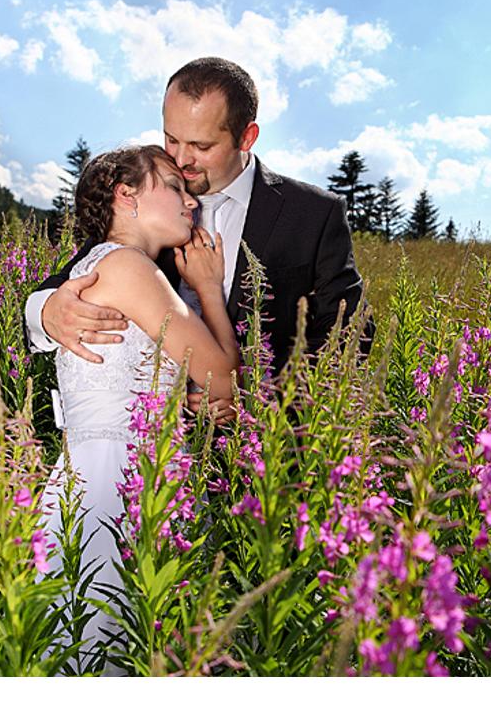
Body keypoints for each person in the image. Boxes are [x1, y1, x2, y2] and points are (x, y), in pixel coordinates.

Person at [25, 57, 372, 419]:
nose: (180, 158)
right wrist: (47, 312)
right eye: (171, 138)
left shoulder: (313, 213)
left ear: (246, 137)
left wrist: (260, 401)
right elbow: (76, 276)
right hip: (144, 454)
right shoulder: (149, 200)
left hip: (266, 452)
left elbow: (348, 333)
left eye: (201, 146)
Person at [38, 144, 240, 672]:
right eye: (172, 187)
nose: (189, 202)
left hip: (94, 473)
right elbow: (222, 377)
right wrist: (209, 291)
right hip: (124, 479)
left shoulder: (100, 266)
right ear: (127, 195)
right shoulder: (127, 265)